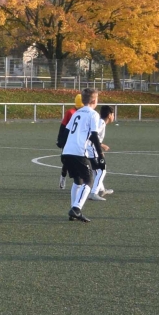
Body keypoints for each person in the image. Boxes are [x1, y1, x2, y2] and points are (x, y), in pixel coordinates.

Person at [60, 89, 103, 221]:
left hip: (67, 151)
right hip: (79, 152)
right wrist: (100, 154)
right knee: (89, 180)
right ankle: (76, 208)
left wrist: (64, 150)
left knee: (77, 180)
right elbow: (94, 135)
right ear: (94, 100)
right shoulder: (93, 114)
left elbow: (65, 133)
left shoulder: (76, 113)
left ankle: (73, 211)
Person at [91, 104, 116, 199]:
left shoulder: (101, 122)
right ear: (109, 115)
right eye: (113, 114)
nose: (114, 116)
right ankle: (94, 193)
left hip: (91, 149)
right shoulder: (101, 123)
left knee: (96, 170)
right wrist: (101, 148)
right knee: (102, 170)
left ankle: (102, 190)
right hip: (91, 149)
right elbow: (92, 136)